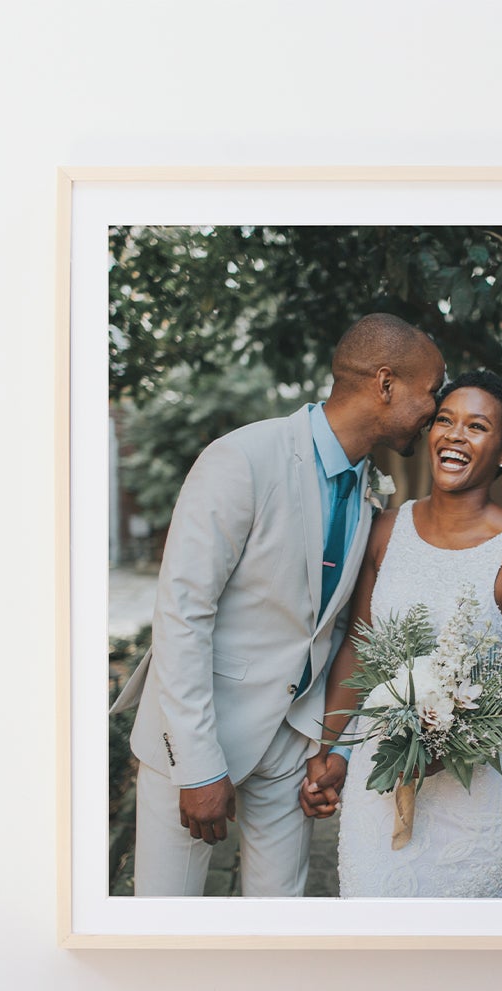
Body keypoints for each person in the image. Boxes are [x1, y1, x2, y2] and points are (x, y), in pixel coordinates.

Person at [112, 314, 446, 896]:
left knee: (280, 922)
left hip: (293, 743)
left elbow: (339, 626)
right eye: (432, 390)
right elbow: (182, 616)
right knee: (166, 925)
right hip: (197, 739)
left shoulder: (368, 483)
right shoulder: (242, 459)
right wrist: (199, 767)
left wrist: (331, 744)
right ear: (386, 384)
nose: (435, 408)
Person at [301, 370, 502, 897]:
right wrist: (333, 749)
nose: (453, 435)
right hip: (382, 772)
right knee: (373, 931)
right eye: (444, 420)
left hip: (480, 791)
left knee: (462, 957)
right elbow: (358, 650)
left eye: (476, 426)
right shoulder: (386, 532)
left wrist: (453, 741)